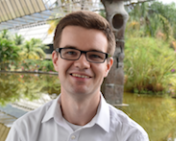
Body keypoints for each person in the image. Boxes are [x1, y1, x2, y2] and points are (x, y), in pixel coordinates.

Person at [6, 10, 149, 141]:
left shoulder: (131, 136)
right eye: (71, 52)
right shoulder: (24, 131)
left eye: (94, 55)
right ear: (55, 60)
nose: (82, 64)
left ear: (107, 66)